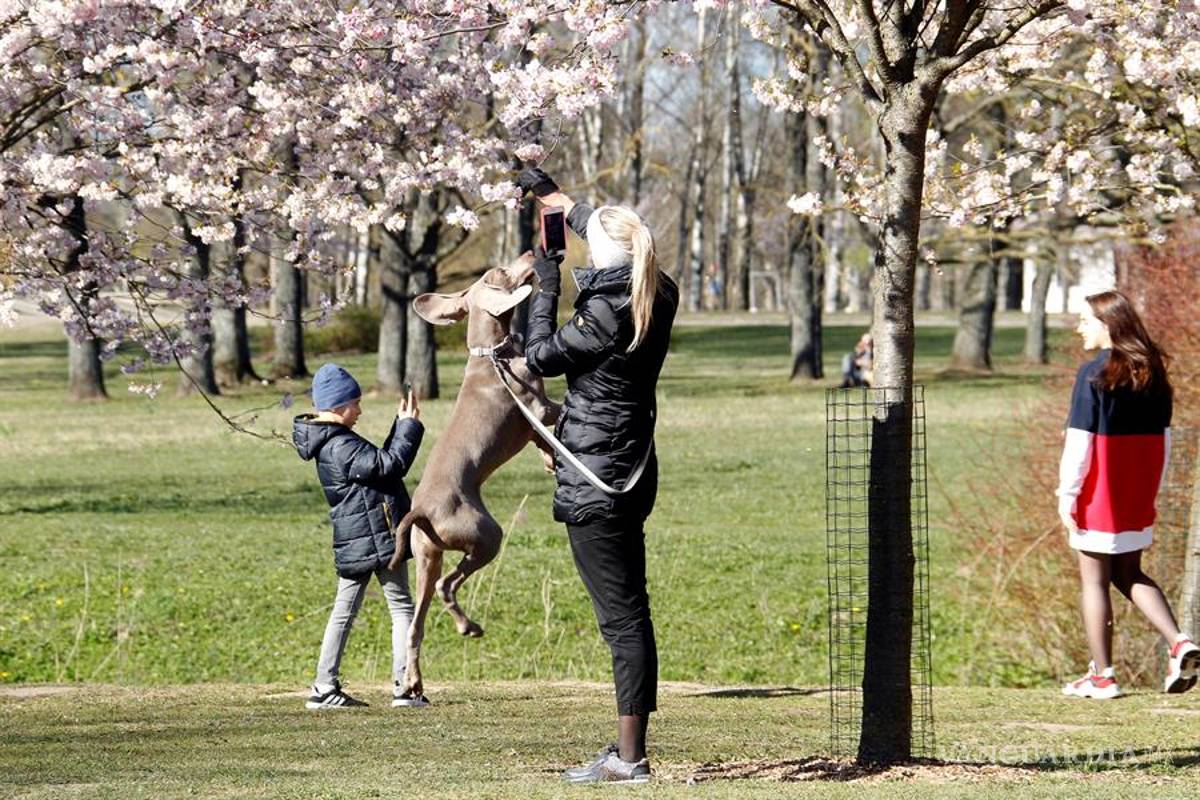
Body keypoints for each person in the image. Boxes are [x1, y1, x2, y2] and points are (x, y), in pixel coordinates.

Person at [516, 167, 679, 784]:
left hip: (598, 478)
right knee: (632, 612)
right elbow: (610, 233)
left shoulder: (604, 316)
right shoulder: (658, 289)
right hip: (632, 469)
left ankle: (630, 759)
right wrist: (557, 200)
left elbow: (539, 357)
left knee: (623, 620)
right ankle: (627, 752)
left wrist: (546, 282)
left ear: (605, 261)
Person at [1056, 290, 1198, 699]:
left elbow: (1080, 442)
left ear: (1108, 324)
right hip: (1138, 485)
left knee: (1094, 580)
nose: (1080, 327)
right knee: (1128, 572)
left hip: (1100, 488)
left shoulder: (1093, 374)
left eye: (1086, 320)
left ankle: (1103, 676)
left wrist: (1067, 494)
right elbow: (1164, 441)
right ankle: (1179, 642)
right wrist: (1151, 488)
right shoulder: (1152, 372)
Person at [292, 363, 426, 709]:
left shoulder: (332, 441)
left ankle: (324, 687)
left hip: (359, 539)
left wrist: (400, 425)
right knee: (401, 609)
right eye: (355, 403)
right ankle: (405, 688)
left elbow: (376, 465)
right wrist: (409, 427)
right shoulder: (339, 444)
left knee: (343, 612)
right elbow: (389, 466)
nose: (360, 410)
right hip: (378, 537)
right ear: (338, 408)